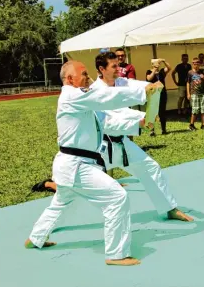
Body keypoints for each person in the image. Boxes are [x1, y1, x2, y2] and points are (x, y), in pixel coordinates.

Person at [32, 53, 193, 223]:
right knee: (70, 192)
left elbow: (138, 87)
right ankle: (50, 201)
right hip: (100, 148)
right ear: (102, 69)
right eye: (114, 66)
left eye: (119, 65)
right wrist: (138, 120)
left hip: (122, 144)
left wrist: (153, 87)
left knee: (150, 168)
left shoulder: (122, 82)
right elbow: (106, 121)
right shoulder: (92, 92)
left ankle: (169, 208)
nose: (119, 69)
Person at [24, 60, 154, 266]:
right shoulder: (71, 95)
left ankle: (35, 238)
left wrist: (137, 123)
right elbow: (106, 97)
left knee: (61, 202)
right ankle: (116, 254)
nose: (88, 77)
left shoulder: (82, 99)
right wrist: (142, 93)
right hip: (76, 165)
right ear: (70, 79)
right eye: (83, 74)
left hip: (73, 164)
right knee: (117, 198)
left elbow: (107, 122)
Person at [147, 59, 172, 136]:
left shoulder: (161, 72)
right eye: (155, 63)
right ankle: (152, 131)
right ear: (152, 64)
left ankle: (163, 130)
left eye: (158, 63)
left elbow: (169, 68)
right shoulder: (149, 71)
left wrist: (164, 61)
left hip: (162, 94)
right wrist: (154, 69)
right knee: (152, 113)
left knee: (162, 113)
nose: (157, 65)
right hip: (153, 94)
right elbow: (149, 78)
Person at [187, 57, 204, 130]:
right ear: (192, 64)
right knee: (195, 109)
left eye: (197, 63)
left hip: (202, 92)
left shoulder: (201, 71)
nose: (196, 65)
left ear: (199, 64)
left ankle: (203, 124)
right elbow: (188, 83)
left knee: (203, 109)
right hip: (194, 93)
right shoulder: (190, 72)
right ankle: (191, 124)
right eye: (194, 63)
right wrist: (188, 93)